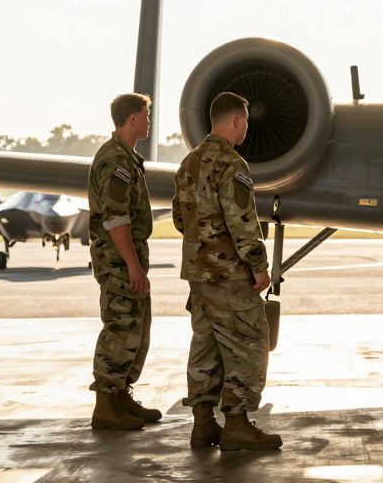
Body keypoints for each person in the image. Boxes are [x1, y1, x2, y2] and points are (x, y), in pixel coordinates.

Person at [173, 92, 281, 451]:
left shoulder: (189, 162)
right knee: (249, 342)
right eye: (246, 121)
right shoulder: (232, 164)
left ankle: (203, 425)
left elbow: (178, 217)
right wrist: (259, 267)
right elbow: (243, 222)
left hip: (198, 275)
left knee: (204, 346)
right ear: (236, 121)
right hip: (229, 275)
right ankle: (236, 424)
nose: (246, 128)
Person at [87, 93, 160, 430]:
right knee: (121, 326)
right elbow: (116, 219)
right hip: (118, 258)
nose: (149, 120)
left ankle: (119, 396)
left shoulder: (126, 158)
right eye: (146, 115)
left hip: (127, 256)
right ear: (132, 119)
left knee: (136, 327)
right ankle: (106, 403)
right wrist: (131, 264)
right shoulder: (115, 160)